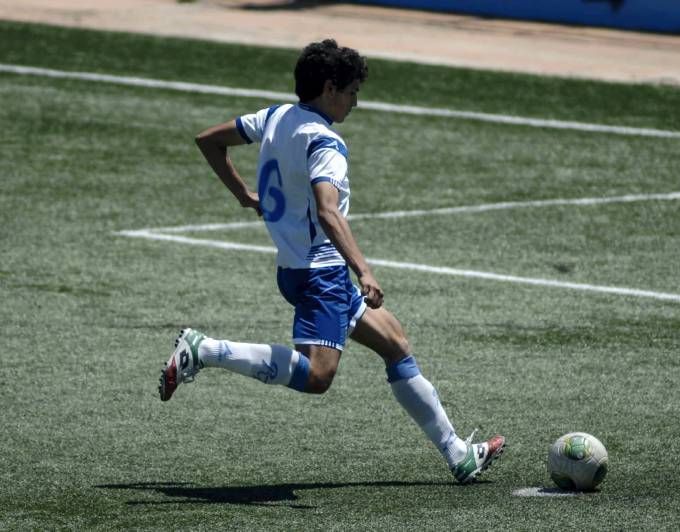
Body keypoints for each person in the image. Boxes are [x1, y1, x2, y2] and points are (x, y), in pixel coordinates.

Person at [158, 39, 505, 484]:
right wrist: (364, 269)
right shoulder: (326, 142)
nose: (355, 102)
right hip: (320, 271)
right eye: (352, 92)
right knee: (318, 377)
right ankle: (204, 350)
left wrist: (245, 195)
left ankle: (458, 453)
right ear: (328, 88)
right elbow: (328, 211)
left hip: (299, 267)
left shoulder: (275, 116)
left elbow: (209, 141)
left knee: (395, 344)